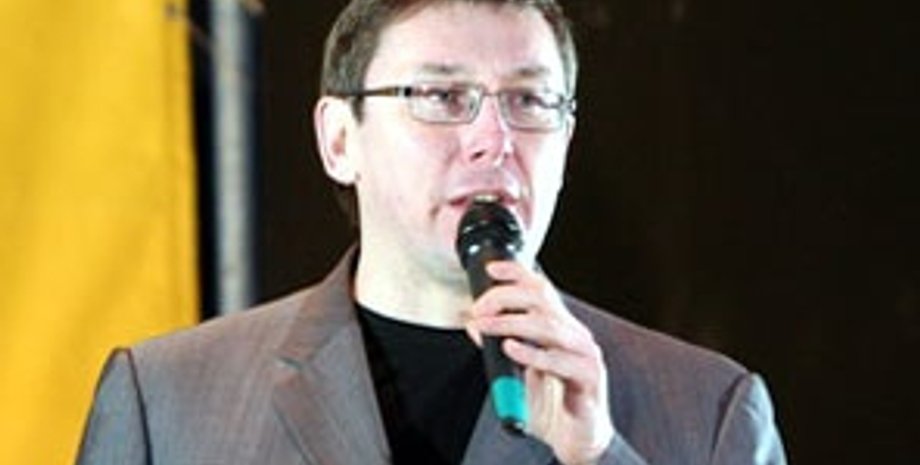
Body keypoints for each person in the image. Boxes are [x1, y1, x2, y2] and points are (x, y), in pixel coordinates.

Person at [76, 0, 788, 464]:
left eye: (528, 100)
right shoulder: (168, 402)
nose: (493, 139)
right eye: (443, 96)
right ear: (339, 140)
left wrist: (598, 455)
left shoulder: (710, 411)